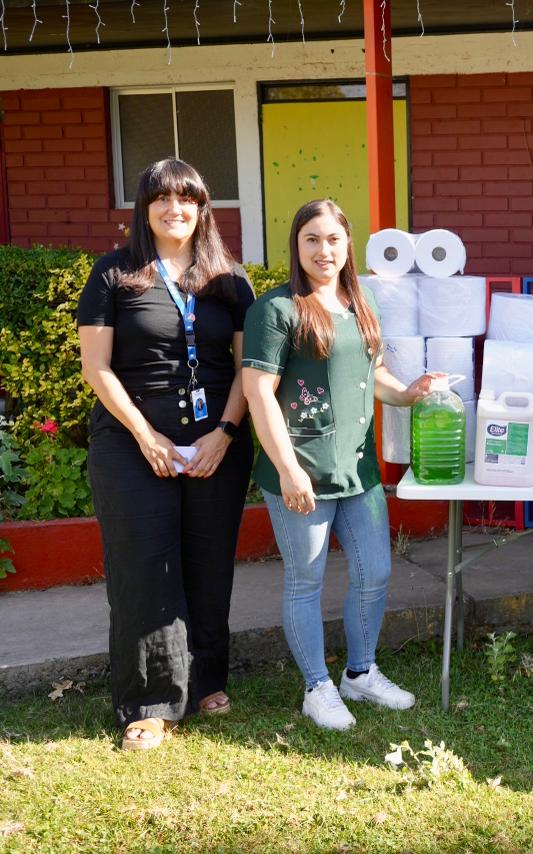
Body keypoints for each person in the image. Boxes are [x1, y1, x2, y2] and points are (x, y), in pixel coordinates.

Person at [77, 159, 255, 751]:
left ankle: (205, 681)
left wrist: (224, 432)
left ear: (202, 208)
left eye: (186, 199)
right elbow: (97, 367)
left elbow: (247, 369)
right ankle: (150, 704)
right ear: (145, 208)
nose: (174, 209)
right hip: (131, 445)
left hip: (214, 444)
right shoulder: (114, 274)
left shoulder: (229, 279)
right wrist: (145, 435)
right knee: (144, 567)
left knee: (208, 563)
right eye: (162, 198)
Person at [242, 199, 428, 730]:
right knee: (307, 580)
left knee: (376, 572)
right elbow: (258, 393)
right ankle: (316, 688)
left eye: (333, 239)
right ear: (296, 246)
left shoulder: (361, 302)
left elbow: (375, 376)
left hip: (357, 470)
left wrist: (409, 393)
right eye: (312, 239)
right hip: (301, 471)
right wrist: (288, 470)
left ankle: (360, 673)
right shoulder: (276, 310)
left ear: (348, 245)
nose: (323, 250)